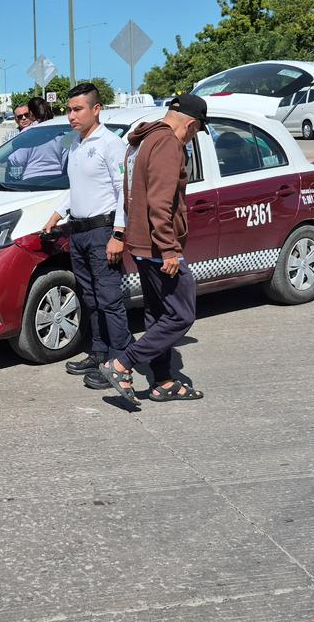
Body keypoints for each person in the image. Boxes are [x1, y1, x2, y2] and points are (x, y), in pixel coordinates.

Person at [98, 94, 208, 405]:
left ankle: (164, 381)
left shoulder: (141, 140)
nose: (192, 137)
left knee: (158, 314)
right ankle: (122, 364)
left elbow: (132, 193)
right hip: (159, 247)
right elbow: (160, 201)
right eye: (196, 132)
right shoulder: (167, 143)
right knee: (181, 315)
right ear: (191, 124)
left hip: (141, 243)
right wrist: (169, 249)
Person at [42, 83, 131, 389]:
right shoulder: (76, 144)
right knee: (90, 299)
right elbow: (77, 188)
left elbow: (123, 192)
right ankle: (99, 353)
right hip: (78, 232)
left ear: (96, 109)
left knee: (109, 300)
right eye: (69, 110)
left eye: (77, 109)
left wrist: (118, 234)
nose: (71, 116)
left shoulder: (111, 144)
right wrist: (57, 213)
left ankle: (119, 363)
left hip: (102, 231)